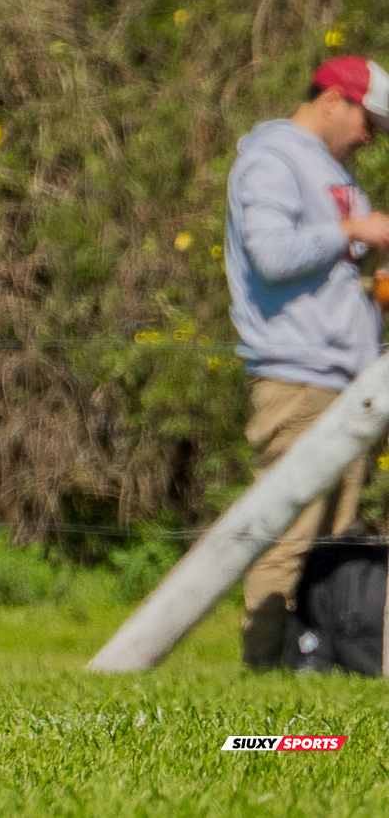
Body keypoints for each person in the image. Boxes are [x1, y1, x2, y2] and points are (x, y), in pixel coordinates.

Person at [225, 56, 389, 668]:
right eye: (369, 123)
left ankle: (315, 670)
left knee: (332, 545)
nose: (371, 138)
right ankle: (263, 673)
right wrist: (354, 230)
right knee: (286, 537)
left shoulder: (335, 173)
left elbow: (331, 268)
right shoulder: (271, 159)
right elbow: (271, 256)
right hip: (298, 380)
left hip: (347, 384)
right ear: (333, 100)